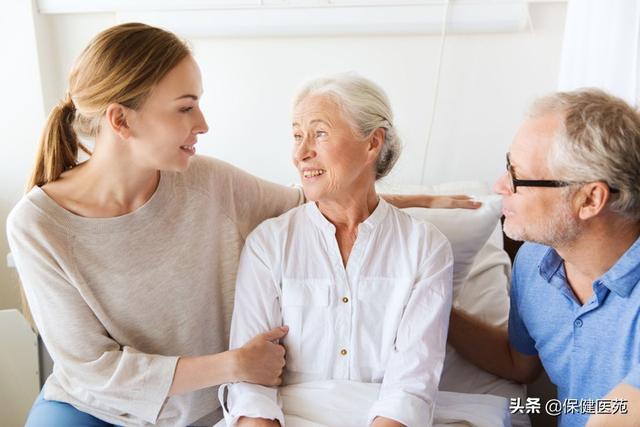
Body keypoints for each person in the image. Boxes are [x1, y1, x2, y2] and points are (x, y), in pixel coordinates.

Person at [6, 23, 476, 426]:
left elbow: (320, 197)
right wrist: (235, 364)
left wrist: (423, 198)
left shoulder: (209, 182)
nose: (204, 123)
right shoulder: (38, 225)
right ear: (121, 121)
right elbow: (93, 371)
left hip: (203, 409)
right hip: (93, 409)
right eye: (185, 107)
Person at [221, 74, 454, 427]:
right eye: (297, 135)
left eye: (320, 133)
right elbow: (250, 385)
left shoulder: (425, 247)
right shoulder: (268, 244)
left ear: (373, 143)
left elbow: (411, 386)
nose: (301, 153)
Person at [448, 89, 640, 427]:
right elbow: (518, 362)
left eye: (517, 176)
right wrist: (430, 304)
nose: (499, 185)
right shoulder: (536, 263)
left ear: (590, 199)